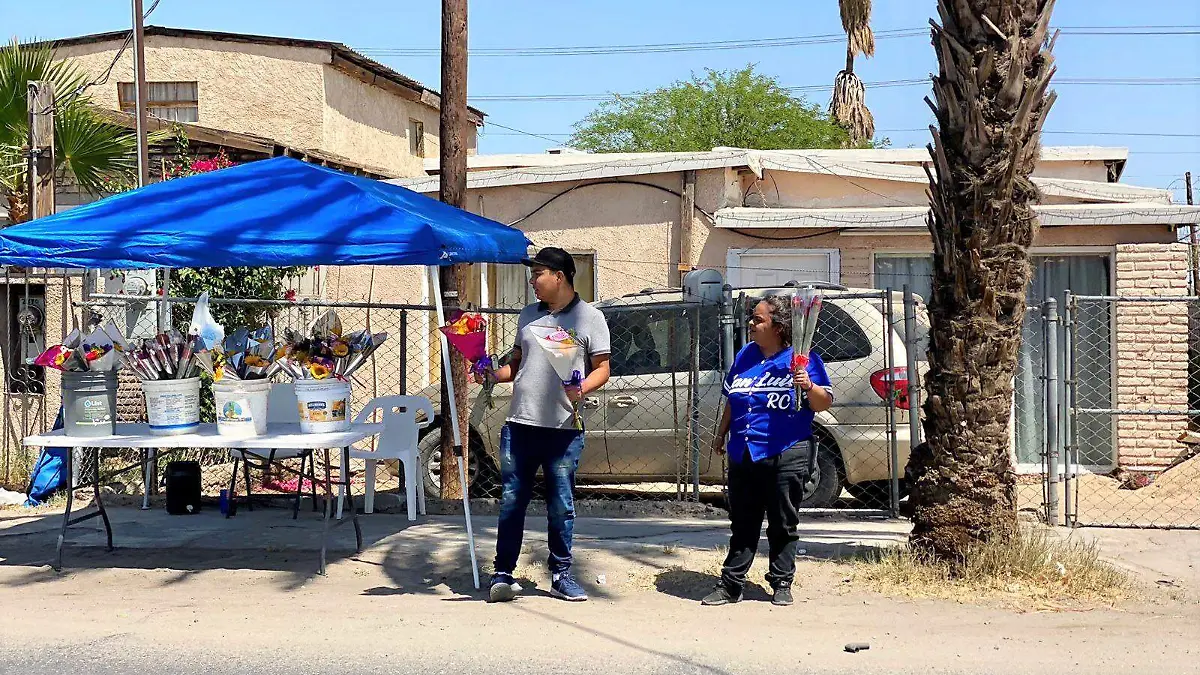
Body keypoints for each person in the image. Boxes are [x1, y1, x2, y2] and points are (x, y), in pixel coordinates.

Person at [478, 246, 611, 603]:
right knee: (511, 502)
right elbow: (515, 367)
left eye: (538, 274)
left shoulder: (590, 317)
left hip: (563, 429)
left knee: (561, 505)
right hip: (520, 425)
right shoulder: (527, 315)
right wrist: (490, 373)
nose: (532, 281)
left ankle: (561, 575)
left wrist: (580, 387)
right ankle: (502, 573)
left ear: (560, 276)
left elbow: (603, 368)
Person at [703, 295, 834, 607]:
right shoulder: (745, 355)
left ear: (778, 327)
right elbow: (734, 400)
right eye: (752, 318)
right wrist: (721, 434)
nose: (751, 323)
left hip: (786, 450)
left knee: (782, 521)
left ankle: (782, 580)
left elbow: (824, 402)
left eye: (758, 319)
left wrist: (807, 385)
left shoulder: (801, 358)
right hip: (744, 450)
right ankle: (731, 584)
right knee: (743, 522)